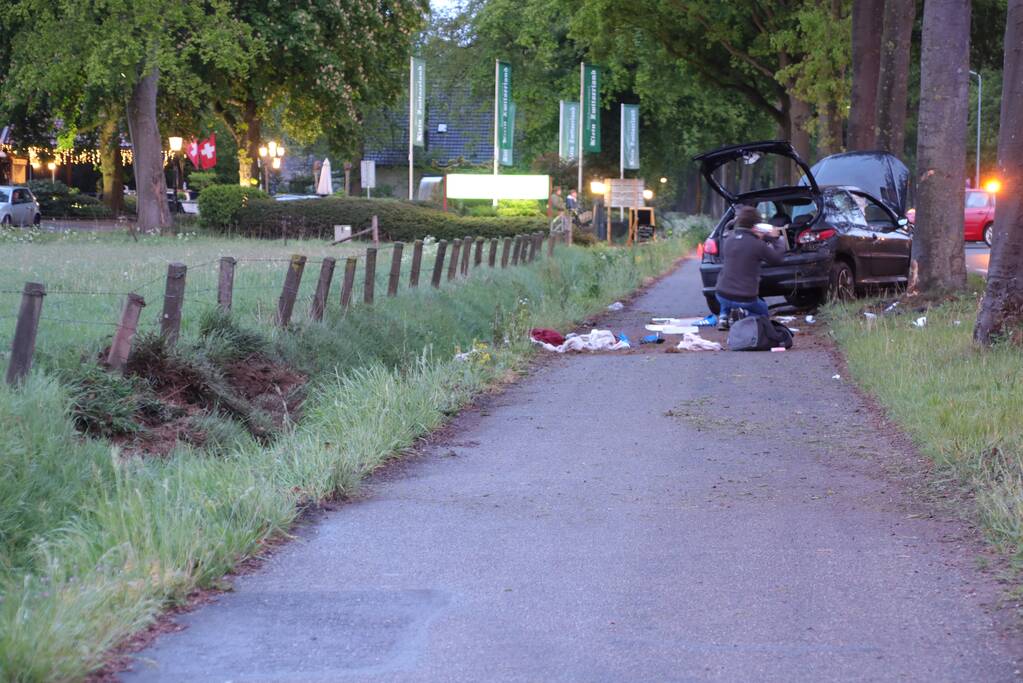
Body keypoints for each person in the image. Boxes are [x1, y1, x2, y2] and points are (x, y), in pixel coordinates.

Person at [715, 205, 786, 330]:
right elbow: (777, 259)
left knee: (728, 282)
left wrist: (758, 236)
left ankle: (723, 316)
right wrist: (776, 239)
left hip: (721, 295)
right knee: (762, 308)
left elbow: (743, 246)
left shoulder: (729, 240)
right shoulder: (758, 245)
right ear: (756, 225)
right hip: (745, 298)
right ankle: (753, 326)